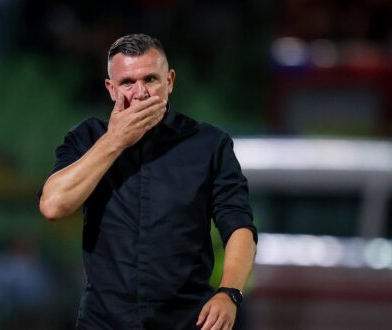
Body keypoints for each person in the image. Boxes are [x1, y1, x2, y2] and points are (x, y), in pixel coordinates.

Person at [38, 33, 257, 330]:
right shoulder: (86, 139)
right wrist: (115, 140)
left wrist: (229, 292)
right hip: (104, 322)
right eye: (128, 83)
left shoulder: (209, 144)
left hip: (186, 321)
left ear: (169, 81)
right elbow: (53, 206)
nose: (140, 93)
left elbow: (239, 227)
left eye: (150, 79)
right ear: (111, 89)